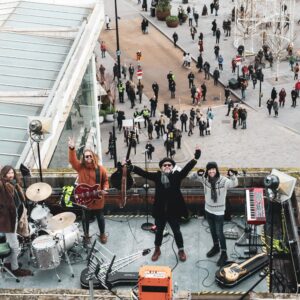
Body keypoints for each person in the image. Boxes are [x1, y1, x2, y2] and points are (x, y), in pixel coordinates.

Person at [128, 148, 201, 262]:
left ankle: (181, 250)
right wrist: (132, 167)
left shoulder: (177, 176)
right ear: (161, 167)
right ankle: (157, 249)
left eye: (169, 165)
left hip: (173, 211)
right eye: (164, 165)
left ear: (172, 167)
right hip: (160, 211)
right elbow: (144, 173)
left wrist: (195, 158)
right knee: (159, 232)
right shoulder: (157, 176)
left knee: (177, 231)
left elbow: (186, 169)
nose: (167, 166)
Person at [190, 163, 238, 267]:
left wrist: (233, 175)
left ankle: (224, 253)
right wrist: (197, 173)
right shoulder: (204, 179)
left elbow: (234, 183)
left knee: (219, 232)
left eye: (213, 169)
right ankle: (216, 247)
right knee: (212, 230)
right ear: (207, 171)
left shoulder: (224, 180)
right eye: (209, 170)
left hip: (219, 212)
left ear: (216, 170)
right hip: (208, 210)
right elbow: (191, 177)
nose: (211, 172)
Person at [68, 137, 109, 244]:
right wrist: (72, 148)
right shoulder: (80, 168)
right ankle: (86, 236)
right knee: (85, 218)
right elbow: (72, 161)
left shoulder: (100, 169)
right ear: (84, 158)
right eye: (86, 156)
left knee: (100, 217)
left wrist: (105, 188)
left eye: (90, 156)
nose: (88, 158)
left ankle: (102, 234)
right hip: (85, 199)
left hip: (98, 199)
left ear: (93, 157)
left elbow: (105, 181)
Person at [0, 166, 33, 277]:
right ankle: (15, 269)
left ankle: (7, 264)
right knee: (15, 245)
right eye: (8, 173)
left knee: (11, 243)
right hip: (7, 221)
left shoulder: (14, 184)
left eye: (12, 172)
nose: (11, 175)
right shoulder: (2, 185)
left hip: (14, 218)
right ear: (3, 174)